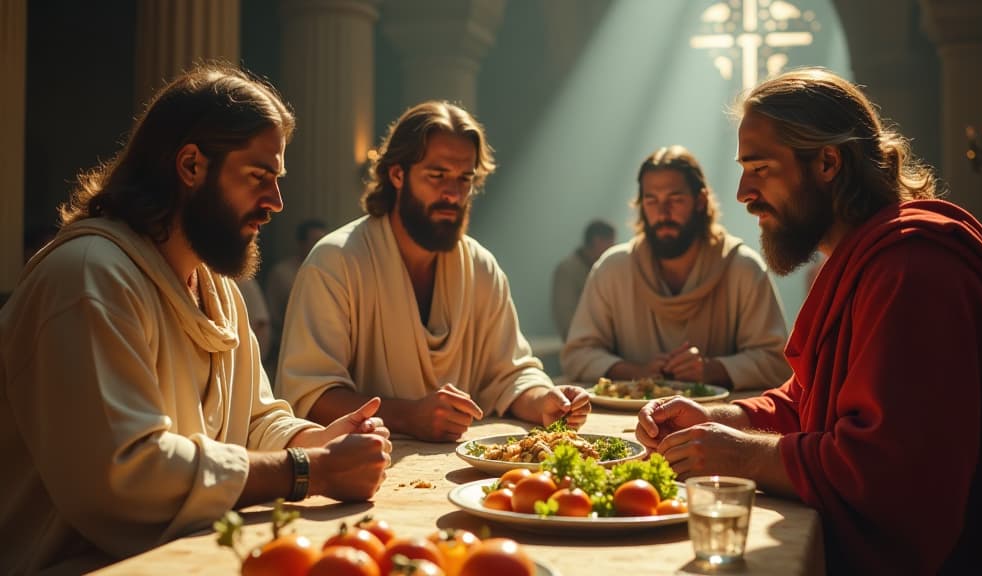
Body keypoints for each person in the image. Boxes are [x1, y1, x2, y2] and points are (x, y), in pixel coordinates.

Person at [0, 64, 392, 573]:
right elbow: (128, 473)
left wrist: (316, 440)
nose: (275, 203)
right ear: (190, 166)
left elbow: (254, 420)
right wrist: (309, 469)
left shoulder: (218, 288)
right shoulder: (89, 277)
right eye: (259, 178)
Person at [636, 68, 982, 574]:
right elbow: (813, 401)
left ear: (828, 162)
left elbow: (891, 474)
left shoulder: (913, 270)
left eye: (760, 168)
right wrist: (727, 418)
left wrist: (741, 457)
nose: (743, 193)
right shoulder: (866, 257)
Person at [276, 100, 591, 442]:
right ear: (397, 174)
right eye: (437, 175)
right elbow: (309, 395)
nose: (453, 194)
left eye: (465, 179)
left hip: (458, 473)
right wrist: (410, 416)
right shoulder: (336, 262)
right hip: (358, 472)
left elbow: (511, 374)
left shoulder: (480, 266)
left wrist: (545, 400)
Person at [561, 146, 790, 390]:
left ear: (700, 201)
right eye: (651, 200)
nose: (662, 213)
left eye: (675, 199)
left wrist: (710, 370)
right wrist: (638, 372)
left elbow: (776, 362)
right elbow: (577, 355)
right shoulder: (613, 269)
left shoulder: (742, 268)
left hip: (715, 421)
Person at [265, 217, 327, 361]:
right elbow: (273, 315)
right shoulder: (282, 273)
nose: (320, 246)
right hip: (290, 348)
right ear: (301, 243)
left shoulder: (328, 271)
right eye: (315, 241)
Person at [551, 219, 616, 341]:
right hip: (582, 349)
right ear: (598, 241)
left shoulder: (602, 269)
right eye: (611, 242)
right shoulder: (567, 271)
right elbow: (566, 320)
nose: (613, 248)